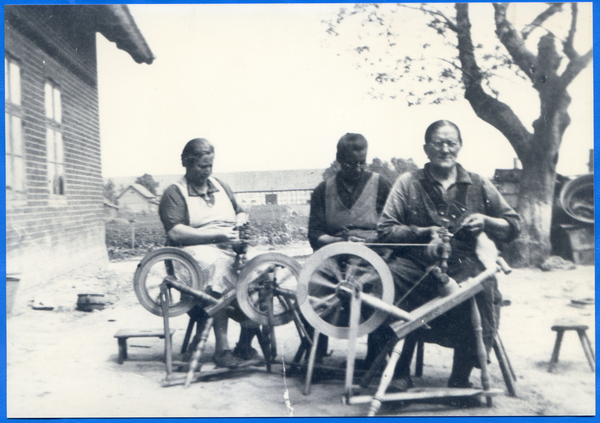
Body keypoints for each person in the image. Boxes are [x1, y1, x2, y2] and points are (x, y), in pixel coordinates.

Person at [377, 120, 521, 401]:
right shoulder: (408, 182)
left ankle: (460, 378)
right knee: (387, 284)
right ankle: (398, 374)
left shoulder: (478, 183)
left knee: (479, 288)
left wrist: (487, 221)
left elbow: (514, 225)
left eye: (451, 143)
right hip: (416, 261)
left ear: (460, 146)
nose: (445, 149)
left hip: (463, 261)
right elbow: (385, 229)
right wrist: (422, 233)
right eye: (438, 143)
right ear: (426, 148)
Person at [159, 138, 258, 368]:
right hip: (191, 254)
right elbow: (175, 232)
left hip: (227, 246)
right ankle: (222, 350)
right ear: (187, 163)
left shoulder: (221, 186)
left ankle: (245, 343)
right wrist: (216, 236)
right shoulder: (175, 193)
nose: (207, 171)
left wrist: (241, 221)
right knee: (218, 269)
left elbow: (240, 211)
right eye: (202, 166)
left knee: (261, 268)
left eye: (210, 166)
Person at [306, 133, 394, 368]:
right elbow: (314, 234)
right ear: (338, 160)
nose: (356, 169)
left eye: (361, 163)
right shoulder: (323, 190)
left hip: (372, 256)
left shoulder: (381, 184)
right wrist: (336, 240)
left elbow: (393, 228)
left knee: (378, 287)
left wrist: (370, 241)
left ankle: (375, 357)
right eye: (349, 163)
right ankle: (315, 354)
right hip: (335, 256)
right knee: (312, 284)